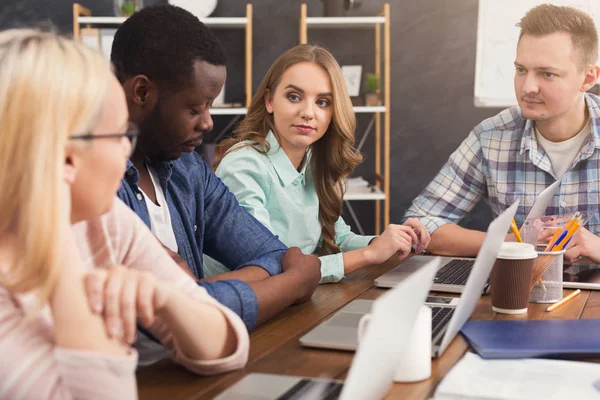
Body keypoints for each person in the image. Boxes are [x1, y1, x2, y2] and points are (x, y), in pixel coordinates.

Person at [0, 29, 248, 399]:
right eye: (120, 135)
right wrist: (59, 246)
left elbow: (229, 346)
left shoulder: (105, 222)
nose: (126, 152)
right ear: (66, 157)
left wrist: (166, 298)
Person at [112, 4, 322, 338]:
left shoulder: (188, 168)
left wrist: (195, 293)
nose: (208, 123)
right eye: (194, 108)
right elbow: (173, 315)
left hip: (200, 364)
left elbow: (270, 253)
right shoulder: (95, 185)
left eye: (210, 106)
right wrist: (295, 283)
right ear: (141, 92)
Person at [208, 44, 430, 283]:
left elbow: (337, 237)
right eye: (294, 97)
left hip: (290, 299)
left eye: (322, 102)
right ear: (269, 100)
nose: (308, 113)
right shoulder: (242, 166)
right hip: (237, 305)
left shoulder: (312, 160)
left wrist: (388, 243)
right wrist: (369, 255)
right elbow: (270, 266)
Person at [404, 4, 600, 263]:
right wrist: (511, 243)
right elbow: (419, 224)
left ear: (588, 78)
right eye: (521, 70)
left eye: (547, 74)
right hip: (520, 292)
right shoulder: (491, 136)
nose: (528, 87)